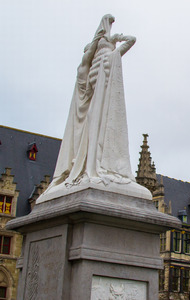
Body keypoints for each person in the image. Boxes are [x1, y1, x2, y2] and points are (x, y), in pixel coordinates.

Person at [41, 14, 138, 199]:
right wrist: (111, 36)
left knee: (95, 136)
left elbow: (130, 40)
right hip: (93, 110)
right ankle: (89, 163)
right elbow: (130, 40)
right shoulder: (92, 66)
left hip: (95, 111)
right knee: (94, 135)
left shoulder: (102, 61)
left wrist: (108, 36)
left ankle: (89, 163)